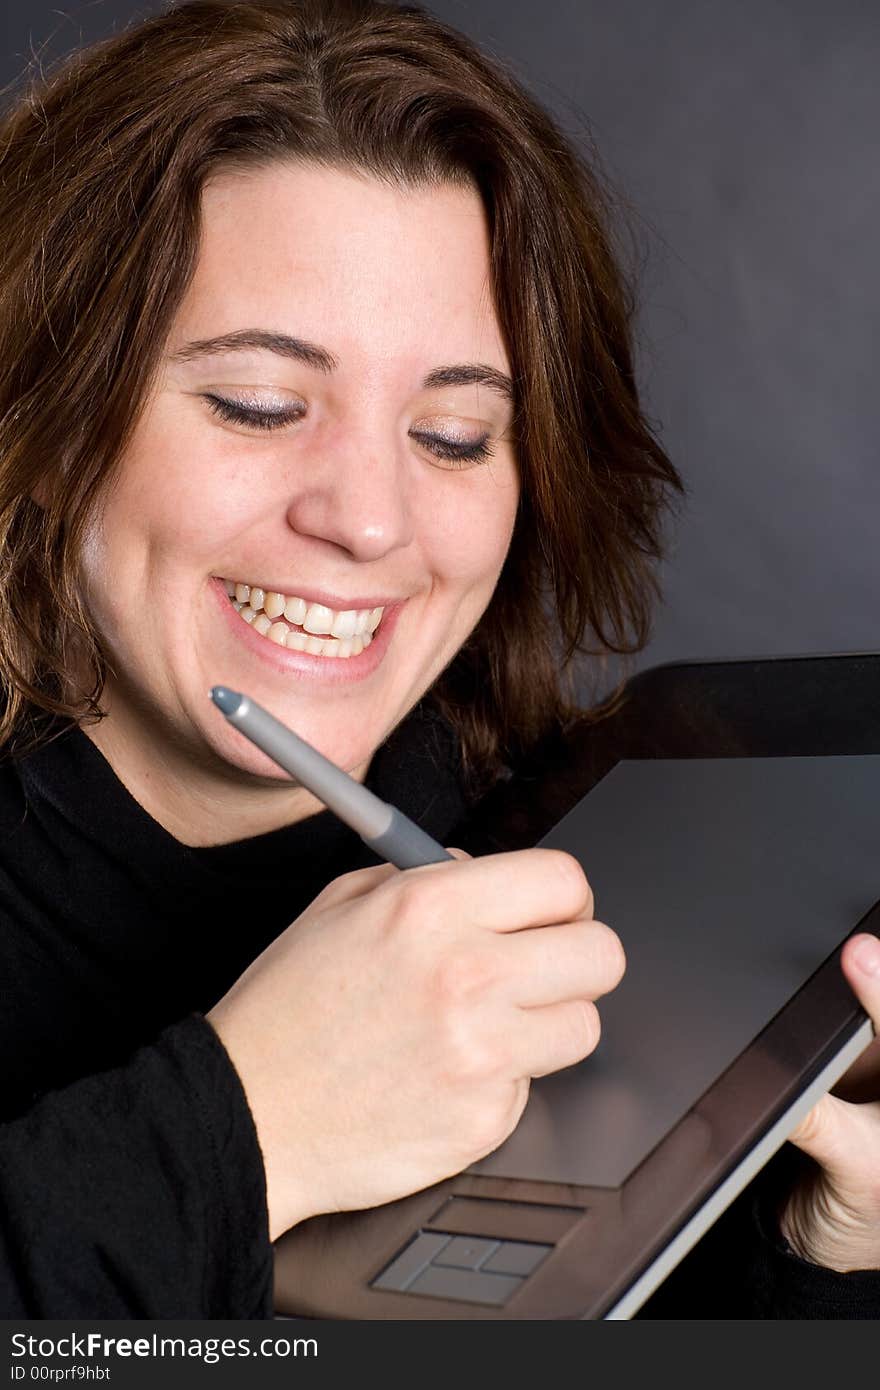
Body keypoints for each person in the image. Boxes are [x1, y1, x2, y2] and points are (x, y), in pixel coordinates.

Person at [0, 0, 876, 1319]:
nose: (366, 518)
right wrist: (250, 1128)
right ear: (53, 426)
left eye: (457, 433)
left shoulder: (580, 853)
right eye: (259, 404)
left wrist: (822, 1252)